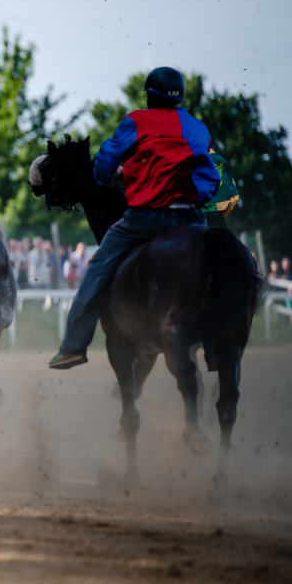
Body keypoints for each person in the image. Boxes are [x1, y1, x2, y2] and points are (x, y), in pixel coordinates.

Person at [49, 67, 220, 369]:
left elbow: (104, 163)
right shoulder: (198, 128)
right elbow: (195, 173)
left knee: (99, 266)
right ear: (180, 96)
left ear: (149, 94)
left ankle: (74, 345)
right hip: (193, 219)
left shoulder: (137, 121)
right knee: (215, 269)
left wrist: (109, 177)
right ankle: (216, 343)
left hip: (146, 220)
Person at [203, 149, 239, 228]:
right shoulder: (222, 161)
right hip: (218, 219)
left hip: (198, 219)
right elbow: (234, 196)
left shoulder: (191, 158)